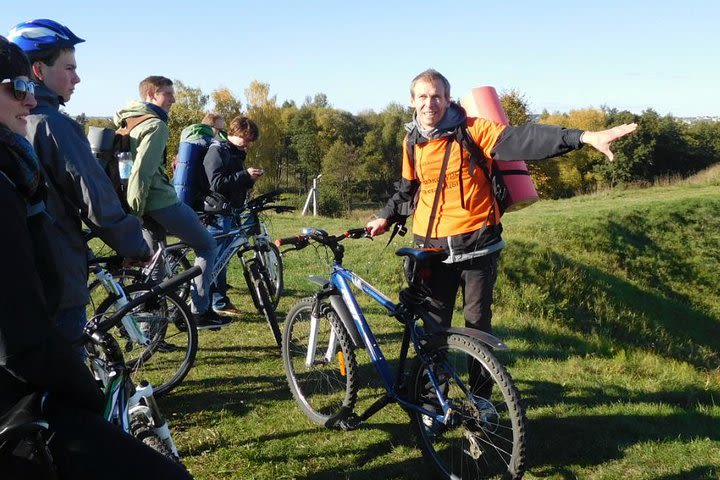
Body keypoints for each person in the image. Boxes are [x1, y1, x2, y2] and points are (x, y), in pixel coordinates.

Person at [0, 34, 193, 480]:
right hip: (27, 368)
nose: (28, 102)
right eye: (18, 87)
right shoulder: (47, 132)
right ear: (37, 71)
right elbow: (21, 339)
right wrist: (138, 243)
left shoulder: (16, 159)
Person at [367, 68, 636, 341]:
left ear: (448, 99)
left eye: (437, 96)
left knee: (478, 327)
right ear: (412, 101)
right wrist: (384, 217)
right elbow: (408, 188)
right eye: (422, 97)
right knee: (433, 328)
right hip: (431, 247)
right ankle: (429, 386)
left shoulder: (474, 130)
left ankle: (481, 385)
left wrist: (585, 137)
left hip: (477, 243)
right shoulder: (411, 140)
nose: (429, 103)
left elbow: (524, 139)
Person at [7, 19, 151, 347]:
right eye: (69, 68)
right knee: (69, 379)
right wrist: (137, 246)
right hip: (57, 278)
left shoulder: (15, 125)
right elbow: (97, 202)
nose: (77, 78)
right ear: (38, 71)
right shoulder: (53, 126)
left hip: (22, 279)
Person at [114, 75, 229, 329]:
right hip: (158, 201)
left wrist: (135, 210)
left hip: (141, 204)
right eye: (167, 93)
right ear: (151, 95)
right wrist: (135, 211)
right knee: (207, 246)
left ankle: (148, 330)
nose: (173, 99)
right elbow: (142, 172)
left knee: (156, 261)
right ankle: (199, 311)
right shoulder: (156, 125)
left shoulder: (129, 119)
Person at [202, 116, 263, 314]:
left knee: (222, 260)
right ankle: (215, 303)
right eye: (245, 138)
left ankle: (218, 301)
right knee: (217, 260)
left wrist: (250, 179)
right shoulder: (217, 151)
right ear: (233, 133)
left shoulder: (233, 153)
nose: (248, 144)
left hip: (230, 211)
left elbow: (234, 183)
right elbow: (217, 184)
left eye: (250, 140)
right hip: (218, 214)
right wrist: (244, 175)